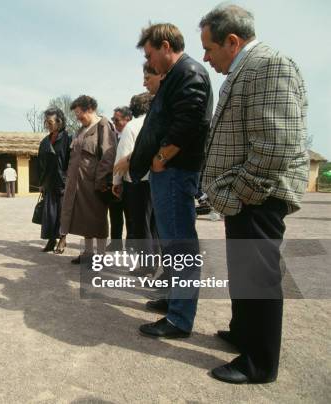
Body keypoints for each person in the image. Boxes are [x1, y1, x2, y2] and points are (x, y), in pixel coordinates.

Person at [199, 4, 308, 384]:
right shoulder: (246, 68)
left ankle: (259, 363)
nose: (206, 57)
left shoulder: (269, 64)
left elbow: (276, 145)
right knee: (243, 270)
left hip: (258, 194)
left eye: (209, 48)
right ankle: (244, 332)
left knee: (259, 276)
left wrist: (238, 191)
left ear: (232, 40)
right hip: (246, 194)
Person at [128, 23, 213, 338]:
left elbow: (190, 122)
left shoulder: (189, 73)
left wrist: (161, 158)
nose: (150, 62)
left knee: (180, 245)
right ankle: (175, 302)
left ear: (165, 46)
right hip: (169, 173)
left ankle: (179, 319)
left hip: (175, 172)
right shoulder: (177, 77)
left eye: (150, 55)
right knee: (173, 243)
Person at [55, 95, 117, 263]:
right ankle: (88, 254)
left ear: (89, 109)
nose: (78, 118)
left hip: (95, 184)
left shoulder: (104, 126)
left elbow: (108, 155)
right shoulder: (81, 129)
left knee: (97, 219)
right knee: (84, 219)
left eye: (79, 113)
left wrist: (101, 180)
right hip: (77, 184)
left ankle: (102, 256)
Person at [112, 93, 158, 277]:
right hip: (156, 179)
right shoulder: (157, 123)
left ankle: (146, 266)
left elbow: (122, 157)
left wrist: (116, 182)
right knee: (153, 224)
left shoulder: (132, 127)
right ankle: (155, 262)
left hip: (136, 182)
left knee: (140, 225)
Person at [37, 107, 72, 253]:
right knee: (49, 213)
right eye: (46, 122)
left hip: (63, 182)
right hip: (49, 182)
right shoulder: (45, 141)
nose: (48, 124)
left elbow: (71, 161)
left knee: (63, 212)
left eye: (50, 121)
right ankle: (52, 240)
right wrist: (41, 183)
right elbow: (40, 164)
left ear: (59, 121)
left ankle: (63, 239)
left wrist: (69, 179)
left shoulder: (68, 138)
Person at [107, 106, 132, 251]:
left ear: (127, 119)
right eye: (113, 120)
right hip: (114, 182)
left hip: (129, 182)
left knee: (130, 216)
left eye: (117, 120)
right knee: (115, 214)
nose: (114, 123)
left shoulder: (135, 133)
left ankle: (131, 244)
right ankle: (116, 243)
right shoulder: (112, 137)